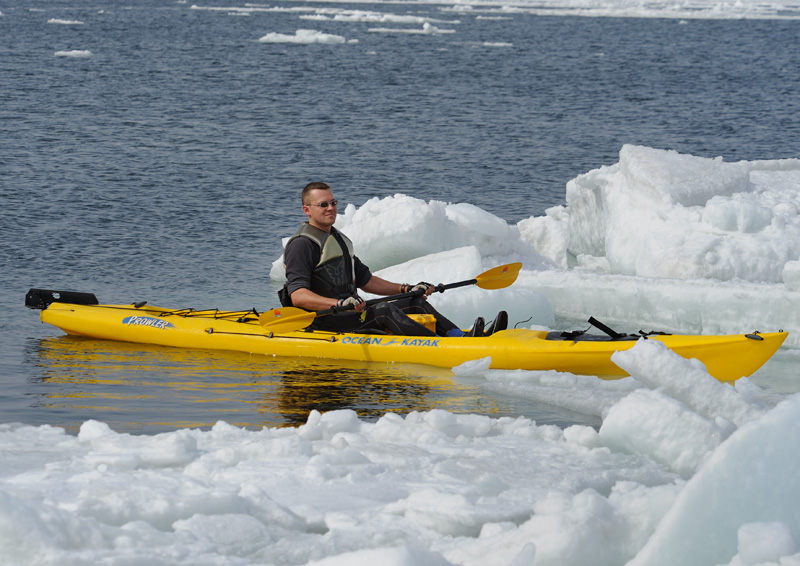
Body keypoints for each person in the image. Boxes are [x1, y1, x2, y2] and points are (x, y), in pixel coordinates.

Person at [279, 182, 507, 337]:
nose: (331, 208)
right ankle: (446, 346)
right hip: (325, 320)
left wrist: (408, 288)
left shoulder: (338, 239)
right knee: (384, 311)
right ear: (306, 210)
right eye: (323, 204)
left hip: (351, 313)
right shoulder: (302, 245)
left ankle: (459, 336)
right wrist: (338, 304)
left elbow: (366, 281)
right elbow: (298, 296)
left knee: (414, 301)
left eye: (333, 203)